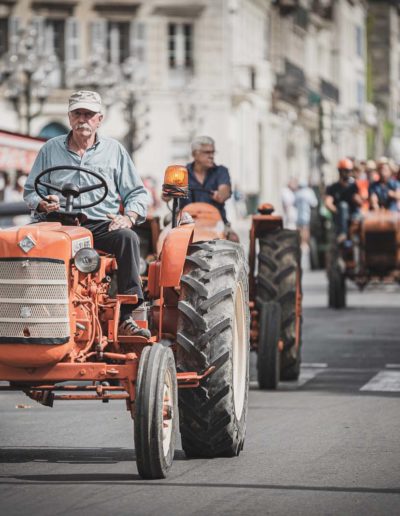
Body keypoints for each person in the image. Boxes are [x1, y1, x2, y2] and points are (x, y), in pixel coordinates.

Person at [24, 90, 151, 338]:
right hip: (58, 223)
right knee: (22, 243)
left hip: (98, 224)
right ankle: (28, 313)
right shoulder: (50, 149)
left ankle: (128, 314)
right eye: (78, 113)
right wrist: (42, 203)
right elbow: (30, 191)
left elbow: (137, 193)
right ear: (70, 117)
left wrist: (129, 217)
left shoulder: (114, 150)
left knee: (128, 238)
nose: (83, 119)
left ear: (99, 119)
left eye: (89, 114)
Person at [163, 135, 237, 238]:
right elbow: (165, 197)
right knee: (165, 237)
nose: (211, 156)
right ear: (194, 154)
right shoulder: (182, 173)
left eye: (213, 152)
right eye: (207, 152)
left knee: (233, 239)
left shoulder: (221, 171)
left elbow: (224, 193)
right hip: (185, 221)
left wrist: (221, 195)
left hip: (216, 222)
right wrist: (169, 193)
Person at [324, 158, 362, 243]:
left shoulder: (354, 186)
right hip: (339, 218)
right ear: (340, 171)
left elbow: (361, 202)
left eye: (349, 171)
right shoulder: (333, 188)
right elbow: (328, 203)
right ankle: (342, 234)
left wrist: (356, 198)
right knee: (343, 206)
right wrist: (339, 212)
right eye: (345, 171)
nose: (347, 174)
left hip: (354, 216)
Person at [295, 181, 318, 247]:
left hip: (298, 216)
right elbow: (314, 203)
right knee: (306, 231)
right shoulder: (309, 192)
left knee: (299, 231)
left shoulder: (297, 193)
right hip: (306, 216)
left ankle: (300, 245)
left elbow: (294, 204)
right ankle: (305, 245)